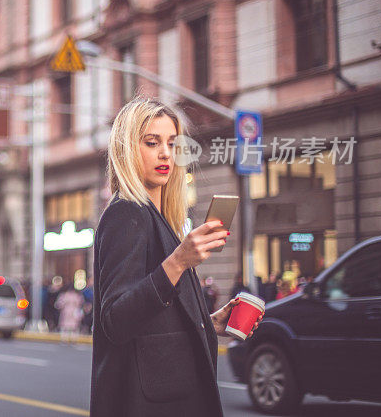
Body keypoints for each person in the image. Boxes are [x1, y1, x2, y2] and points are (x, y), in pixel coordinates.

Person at [90, 98, 262, 417]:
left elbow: (151, 322)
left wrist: (208, 323)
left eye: (172, 143)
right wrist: (178, 261)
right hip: (149, 404)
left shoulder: (157, 217)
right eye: (152, 142)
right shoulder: (126, 214)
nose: (165, 153)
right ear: (127, 149)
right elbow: (115, 320)